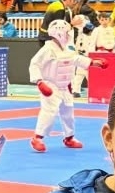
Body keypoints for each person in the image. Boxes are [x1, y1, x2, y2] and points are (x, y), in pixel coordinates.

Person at [29, 20, 95, 153]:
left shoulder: (68, 47)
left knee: (68, 112)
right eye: (66, 32)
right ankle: (37, 138)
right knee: (49, 111)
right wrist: (39, 82)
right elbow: (34, 64)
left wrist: (93, 62)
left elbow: (75, 59)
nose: (68, 35)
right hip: (50, 85)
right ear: (59, 33)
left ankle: (69, 137)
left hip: (65, 85)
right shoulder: (47, 49)